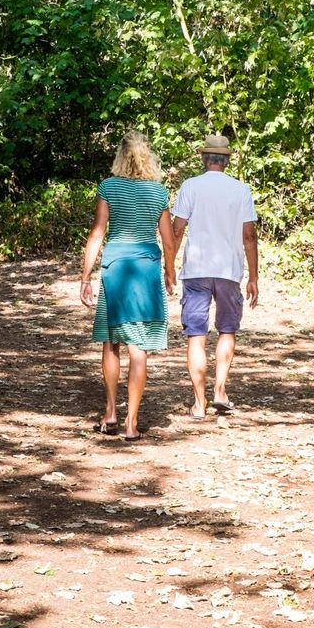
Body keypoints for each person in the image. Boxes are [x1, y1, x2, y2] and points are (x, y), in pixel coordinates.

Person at [80, 131, 177, 440]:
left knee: (112, 342)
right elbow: (168, 240)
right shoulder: (158, 193)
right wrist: (170, 271)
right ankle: (132, 424)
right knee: (139, 348)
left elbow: (97, 233)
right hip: (146, 271)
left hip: (115, 268)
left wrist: (85, 277)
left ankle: (110, 412)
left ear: (120, 157)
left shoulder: (108, 187)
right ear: (147, 157)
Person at [171, 133, 258, 419]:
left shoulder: (190, 186)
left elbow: (177, 228)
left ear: (203, 158)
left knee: (196, 336)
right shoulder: (240, 190)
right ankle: (220, 390)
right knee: (227, 330)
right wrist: (253, 277)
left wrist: (168, 265)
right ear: (227, 159)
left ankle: (199, 403)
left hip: (196, 269)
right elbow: (249, 235)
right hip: (228, 271)